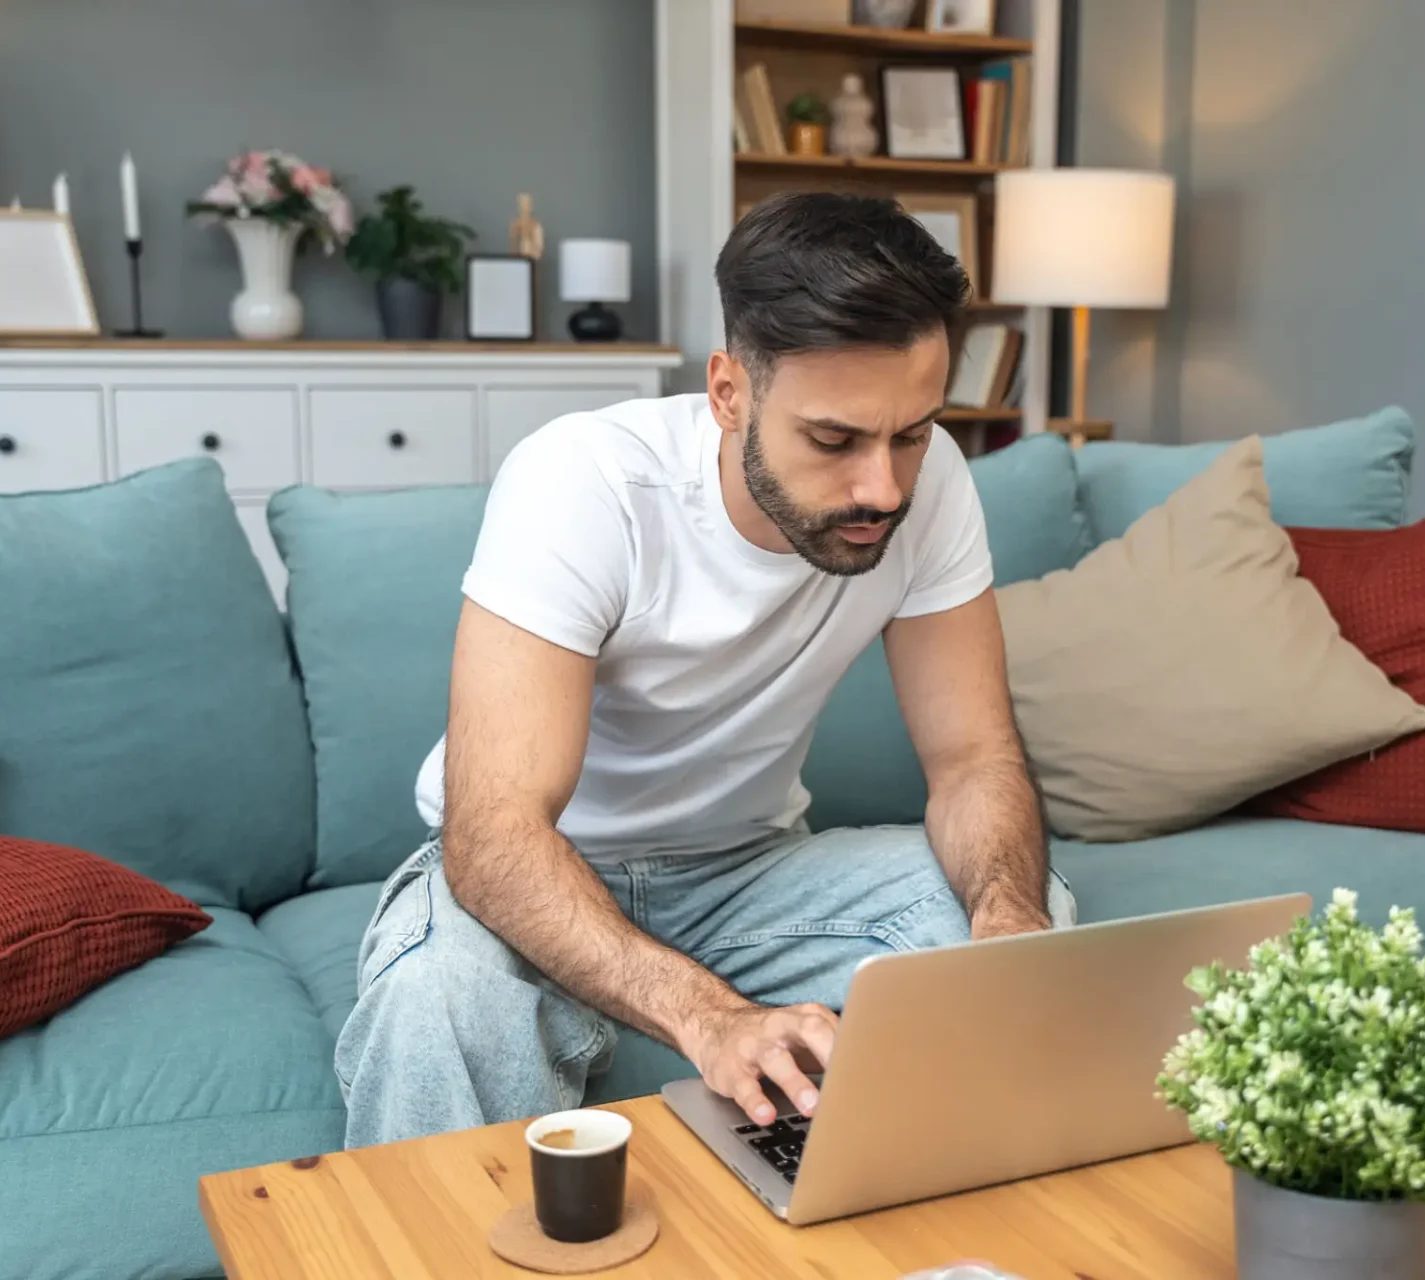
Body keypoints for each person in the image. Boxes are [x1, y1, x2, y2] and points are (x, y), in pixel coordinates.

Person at [334, 192, 1074, 1149]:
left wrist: (1005, 917)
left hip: (750, 876)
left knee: (1023, 925)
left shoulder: (929, 494)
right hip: (546, 871)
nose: (882, 488)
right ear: (730, 392)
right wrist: (707, 1016)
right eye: (834, 440)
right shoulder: (587, 482)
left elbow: (974, 758)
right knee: (439, 997)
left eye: (913, 433)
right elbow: (496, 835)